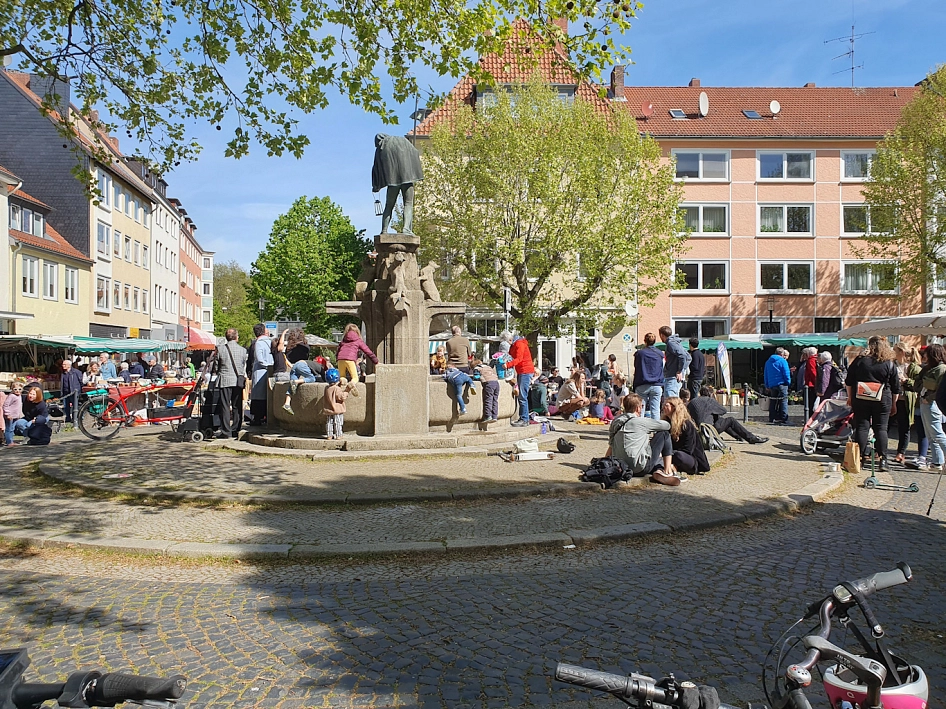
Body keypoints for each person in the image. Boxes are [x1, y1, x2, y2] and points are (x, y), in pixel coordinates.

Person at [846, 335, 901, 472]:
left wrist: (850, 397)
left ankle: (860, 459)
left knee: (862, 427)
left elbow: (848, 381)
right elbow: (896, 387)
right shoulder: (889, 363)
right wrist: (893, 403)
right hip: (883, 398)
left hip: (861, 396)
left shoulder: (860, 361)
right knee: (881, 428)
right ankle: (883, 460)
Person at [605, 393, 677, 486]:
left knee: (658, 459)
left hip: (621, 467)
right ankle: (667, 471)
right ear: (638, 408)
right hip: (639, 468)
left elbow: (611, 445)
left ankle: (659, 470)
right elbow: (666, 426)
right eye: (642, 406)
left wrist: (606, 461)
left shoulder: (615, 421)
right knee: (664, 434)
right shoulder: (642, 422)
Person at [688, 386, 768, 444]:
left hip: (697, 432)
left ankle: (738, 436)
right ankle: (751, 438)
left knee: (721, 420)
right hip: (709, 430)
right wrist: (714, 404)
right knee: (730, 420)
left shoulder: (692, 402)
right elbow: (723, 411)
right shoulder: (710, 400)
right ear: (711, 394)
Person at [212, 327, 249, 439]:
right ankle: (236, 429)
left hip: (224, 380)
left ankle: (226, 431)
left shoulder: (220, 349)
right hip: (238, 380)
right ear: (236, 337)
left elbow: (216, 366)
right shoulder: (243, 350)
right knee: (237, 406)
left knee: (225, 406)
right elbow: (243, 365)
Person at [663, 397, 710, 477]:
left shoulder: (686, 425)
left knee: (679, 456)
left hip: (690, 458)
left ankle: (674, 467)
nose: (663, 407)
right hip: (672, 455)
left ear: (674, 407)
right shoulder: (666, 424)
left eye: (666, 405)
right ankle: (670, 467)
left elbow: (688, 449)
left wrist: (669, 454)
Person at [633, 333, 664, 420]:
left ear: (645, 341)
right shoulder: (660, 354)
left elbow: (636, 367)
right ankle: (656, 431)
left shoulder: (639, 353)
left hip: (642, 383)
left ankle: (641, 429)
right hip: (657, 384)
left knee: (640, 409)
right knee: (655, 410)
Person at [507, 335, 535, 427]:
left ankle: (524, 419)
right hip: (522, 371)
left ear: (511, 339)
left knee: (522, 396)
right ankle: (523, 418)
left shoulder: (520, 344)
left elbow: (519, 359)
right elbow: (511, 355)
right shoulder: (516, 345)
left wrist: (507, 365)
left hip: (525, 371)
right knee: (522, 396)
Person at [249, 323, 273, 426]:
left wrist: (266, 365)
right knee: (267, 395)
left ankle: (257, 418)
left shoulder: (258, 343)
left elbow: (259, 358)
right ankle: (266, 416)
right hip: (270, 370)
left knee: (258, 396)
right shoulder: (271, 342)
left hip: (260, 371)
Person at [658, 326, 690, 399]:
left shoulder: (671, 343)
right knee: (671, 401)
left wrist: (680, 371)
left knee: (671, 401)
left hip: (672, 377)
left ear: (662, 335)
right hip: (672, 377)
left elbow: (683, 356)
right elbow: (687, 357)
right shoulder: (674, 342)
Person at [764, 347, 792, 424]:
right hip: (782, 383)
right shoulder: (783, 361)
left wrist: (767, 384)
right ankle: (784, 419)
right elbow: (786, 373)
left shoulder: (768, 362)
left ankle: (772, 418)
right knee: (783, 401)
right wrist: (788, 382)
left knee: (773, 401)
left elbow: (766, 374)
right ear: (782, 354)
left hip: (772, 384)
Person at [472, 358, 500, 423]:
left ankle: (488, 416)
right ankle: (494, 416)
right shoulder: (488, 367)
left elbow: (476, 377)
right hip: (496, 383)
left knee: (488, 399)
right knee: (494, 400)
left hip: (488, 383)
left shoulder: (477, 368)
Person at [323, 368, 349, 439]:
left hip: (329, 409)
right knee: (338, 422)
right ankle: (339, 435)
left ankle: (329, 435)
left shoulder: (326, 388)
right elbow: (341, 397)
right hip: (337, 410)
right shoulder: (336, 389)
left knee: (329, 423)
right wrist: (347, 391)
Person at [60, 358, 84, 424]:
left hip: (74, 392)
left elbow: (81, 382)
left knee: (75, 406)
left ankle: (75, 418)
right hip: (65, 392)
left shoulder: (76, 372)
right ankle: (68, 418)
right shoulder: (63, 373)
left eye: (64, 364)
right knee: (66, 406)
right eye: (63, 364)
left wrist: (80, 391)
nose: (63, 365)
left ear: (69, 365)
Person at [2, 380, 25, 446]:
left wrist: (19, 415)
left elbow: (19, 406)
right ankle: (9, 442)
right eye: (15, 389)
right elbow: (6, 405)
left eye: (19, 389)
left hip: (15, 415)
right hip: (10, 415)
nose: (17, 391)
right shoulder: (12, 396)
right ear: (12, 389)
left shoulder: (19, 396)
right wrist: (7, 414)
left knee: (12, 428)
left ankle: (11, 440)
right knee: (9, 429)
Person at [800, 347, 819, 415]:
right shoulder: (816, 359)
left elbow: (812, 372)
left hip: (811, 384)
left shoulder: (811, 360)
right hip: (814, 384)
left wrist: (816, 382)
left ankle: (810, 417)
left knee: (811, 402)